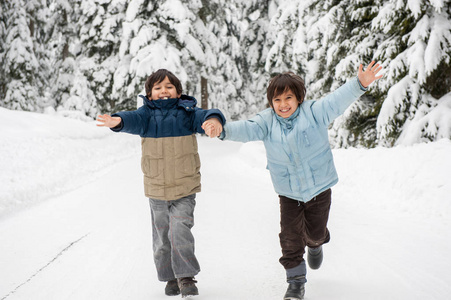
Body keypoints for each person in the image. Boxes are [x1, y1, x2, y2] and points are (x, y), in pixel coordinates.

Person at [202, 61, 383, 300]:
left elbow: (337, 100)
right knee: (289, 237)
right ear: (271, 103)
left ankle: (316, 243)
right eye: (277, 100)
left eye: (288, 98)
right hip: (288, 192)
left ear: (298, 98)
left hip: (319, 188)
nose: (283, 105)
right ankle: (296, 283)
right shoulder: (266, 122)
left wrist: (359, 83)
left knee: (315, 233)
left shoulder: (314, 112)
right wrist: (222, 129)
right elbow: (245, 128)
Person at [97, 69, 225, 298]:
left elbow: (206, 115)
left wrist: (213, 120)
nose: (163, 91)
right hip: (156, 188)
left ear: (178, 91)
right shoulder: (145, 116)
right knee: (162, 237)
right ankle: (169, 277)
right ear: (149, 93)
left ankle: (186, 277)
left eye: (168, 86)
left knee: (180, 231)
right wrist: (118, 120)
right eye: (157, 88)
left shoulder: (187, 113)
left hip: (185, 188)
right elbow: (130, 119)